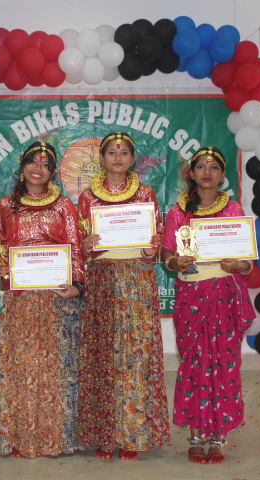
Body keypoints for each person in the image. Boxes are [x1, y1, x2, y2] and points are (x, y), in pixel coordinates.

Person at [76, 132, 170, 460]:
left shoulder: (146, 193)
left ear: (133, 158)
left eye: (124, 152)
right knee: (103, 354)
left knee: (135, 353)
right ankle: (105, 433)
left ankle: (131, 433)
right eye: (112, 152)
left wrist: (151, 247)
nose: (118, 157)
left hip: (137, 278)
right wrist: (86, 246)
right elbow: (79, 241)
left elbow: (156, 235)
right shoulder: (87, 197)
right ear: (102, 158)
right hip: (102, 278)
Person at [0, 141, 85, 458]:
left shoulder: (64, 206)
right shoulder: (6, 206)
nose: (38, 168)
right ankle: (19, 437)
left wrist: (77, 286)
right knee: (21, 368)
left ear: (52, 172)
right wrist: (0, 267)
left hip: (57, 300)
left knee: (57, 370)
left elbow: (76, 248)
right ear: (22, 167)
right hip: (20, 300)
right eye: (32, 161)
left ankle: (59, 438)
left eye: (45, 164)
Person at [160, 146, 256, 464]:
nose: (207, 172)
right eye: (201, 166)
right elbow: (167, 254)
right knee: (194, 364)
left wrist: (239, 265)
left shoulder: (233, 209)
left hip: (224, 296)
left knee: (223, 364)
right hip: (191, 296)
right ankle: (196, 437)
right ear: (191, 172)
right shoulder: (178, 211)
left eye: (214, 167)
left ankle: (217, 437)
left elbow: (248, 262)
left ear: (222, 175)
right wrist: (174, 261)